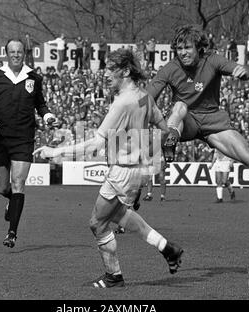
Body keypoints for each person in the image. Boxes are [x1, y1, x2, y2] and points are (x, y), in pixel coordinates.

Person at [34, 48, 184, 287]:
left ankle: (114, 276)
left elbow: (94, 143)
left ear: (125, 71)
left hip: (123, 170)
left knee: (97, 223)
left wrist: (56, 152)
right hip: (136, 169)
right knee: (120, 215)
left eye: (111, 69)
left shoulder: (123, 102)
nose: (105, 74)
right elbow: (163, 125)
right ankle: (167, 248)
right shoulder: (144, 95)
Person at [147, 25, 249, 232]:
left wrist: (243, 72)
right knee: (179, 106)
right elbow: (148, 96)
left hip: (213, 122)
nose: (182, 53)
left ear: (199, 48)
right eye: (179, 48)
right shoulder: (170, 68)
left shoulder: (212, 60)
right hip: (184, 122)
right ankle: (170, 142)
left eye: (187, 48)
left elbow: (243, 69)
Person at [0, 39, 57, 248]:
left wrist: (47, 116)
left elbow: (40, 104)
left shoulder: (34, 77)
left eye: (19, 51)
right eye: (12, 51)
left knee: (18, 183)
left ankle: (12, 233)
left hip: (23, 138)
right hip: (0, 138)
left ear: (24, 54)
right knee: (3, 188)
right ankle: (10, 200)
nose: (16, 55)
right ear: (6, 54)